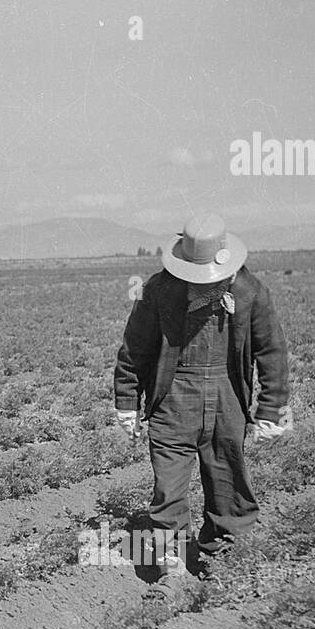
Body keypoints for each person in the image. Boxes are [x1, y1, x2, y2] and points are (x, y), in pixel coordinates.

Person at [113, 213, 291, 601]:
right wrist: (128, 402)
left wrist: (271, 408)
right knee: (169, 486)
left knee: (228, 479)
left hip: (227, 396)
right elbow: (134, 350)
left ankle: (224, 557)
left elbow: (272, 352)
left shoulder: (249, 291)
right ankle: (171, 566)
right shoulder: (158, 291)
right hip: (173, 399)